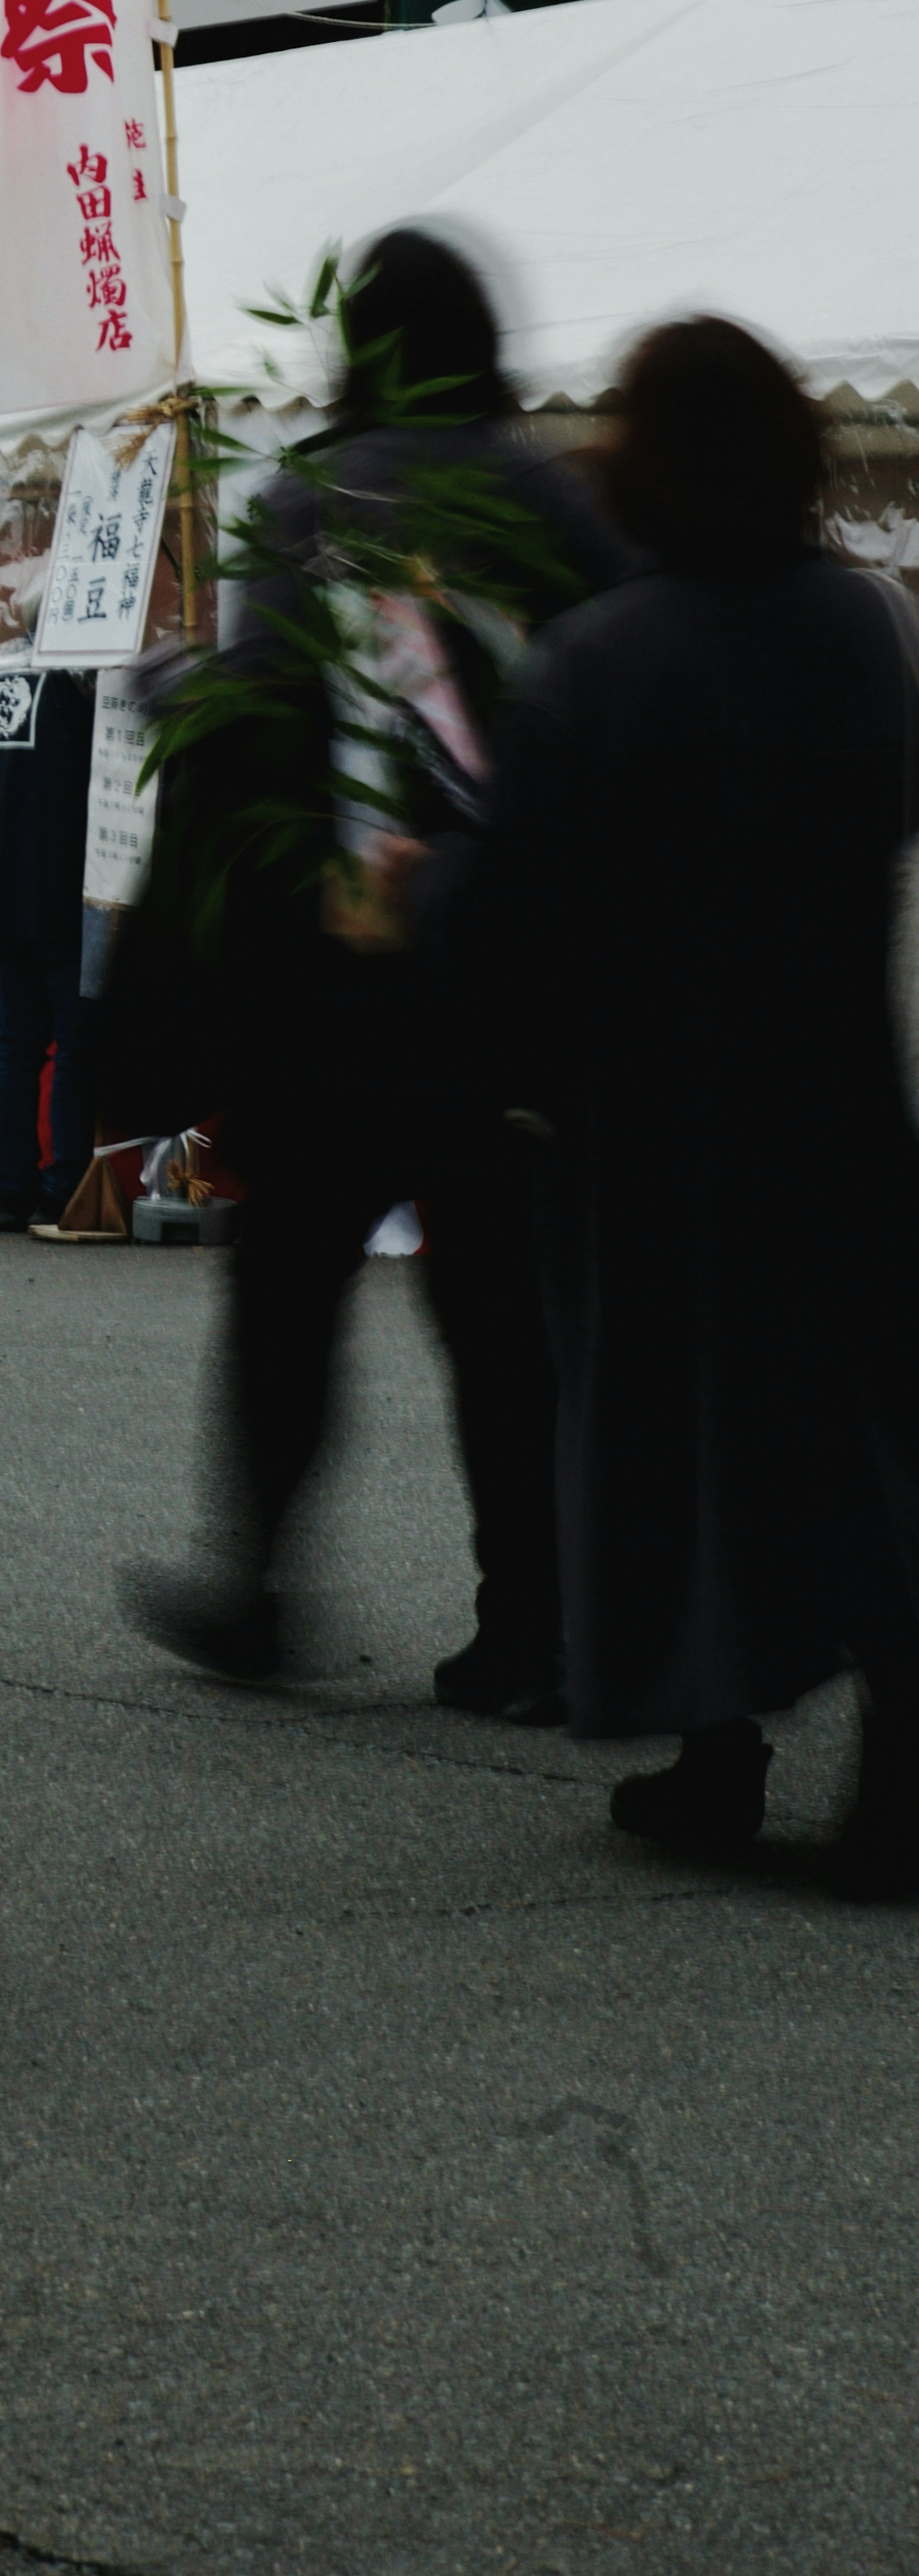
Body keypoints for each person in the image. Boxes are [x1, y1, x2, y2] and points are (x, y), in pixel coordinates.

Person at [111, 228, 625, 1718]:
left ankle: (256, 1583)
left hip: (330, 986)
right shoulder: (549, 493)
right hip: (502, 974)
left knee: (287, 1287)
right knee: (503, 1313)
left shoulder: (313, 495)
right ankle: (531, 1626)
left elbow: (262, 701)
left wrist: (170, 684)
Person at [452, 319, 919, 1890]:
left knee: (675, 1437)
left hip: (651, 1114)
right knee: (856, 1435)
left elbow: (519, 900)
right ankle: (898, 1769)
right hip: (841, 1090)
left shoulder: (598, 655)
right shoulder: (869, 624)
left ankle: (714, 1750)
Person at [0, 658, 98, 1230]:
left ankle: (12, 1191)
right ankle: (65, 1189)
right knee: (74, 1046)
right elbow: (97, 775)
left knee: (16, 1044)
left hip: (1, 889)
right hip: (61, 889)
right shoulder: (68, 690)